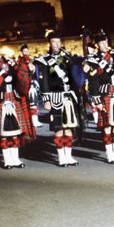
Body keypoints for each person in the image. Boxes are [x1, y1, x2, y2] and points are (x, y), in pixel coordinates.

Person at [0, 35, 36, 168]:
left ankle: (15, 159)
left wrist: (29, 67)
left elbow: (20, 75)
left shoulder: (9, 63)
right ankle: (7, 160)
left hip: (13, 97)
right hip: (0, 99)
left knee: (15, 131)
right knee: (4, 133)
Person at [35, 30, 82, 166]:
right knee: (58, 129)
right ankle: (61, 157)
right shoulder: (44, 61)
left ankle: (69, 155)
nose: (57, 44)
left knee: (68, 127)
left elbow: (74, 77)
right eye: (54, 42)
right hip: (55, 97)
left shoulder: (67, 59)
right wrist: (46, 99)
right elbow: (43, 82)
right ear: (49, 43)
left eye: (58, 41)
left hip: (68, 96)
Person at [84, 30, 114, 163]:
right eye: (102, 43)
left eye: (106, 42)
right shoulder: (94, 59)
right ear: (97, 45)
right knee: (107, 126)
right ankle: (109, 153)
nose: (105, 45)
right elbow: (93, 81)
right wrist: (96, 99)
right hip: (105, 93)